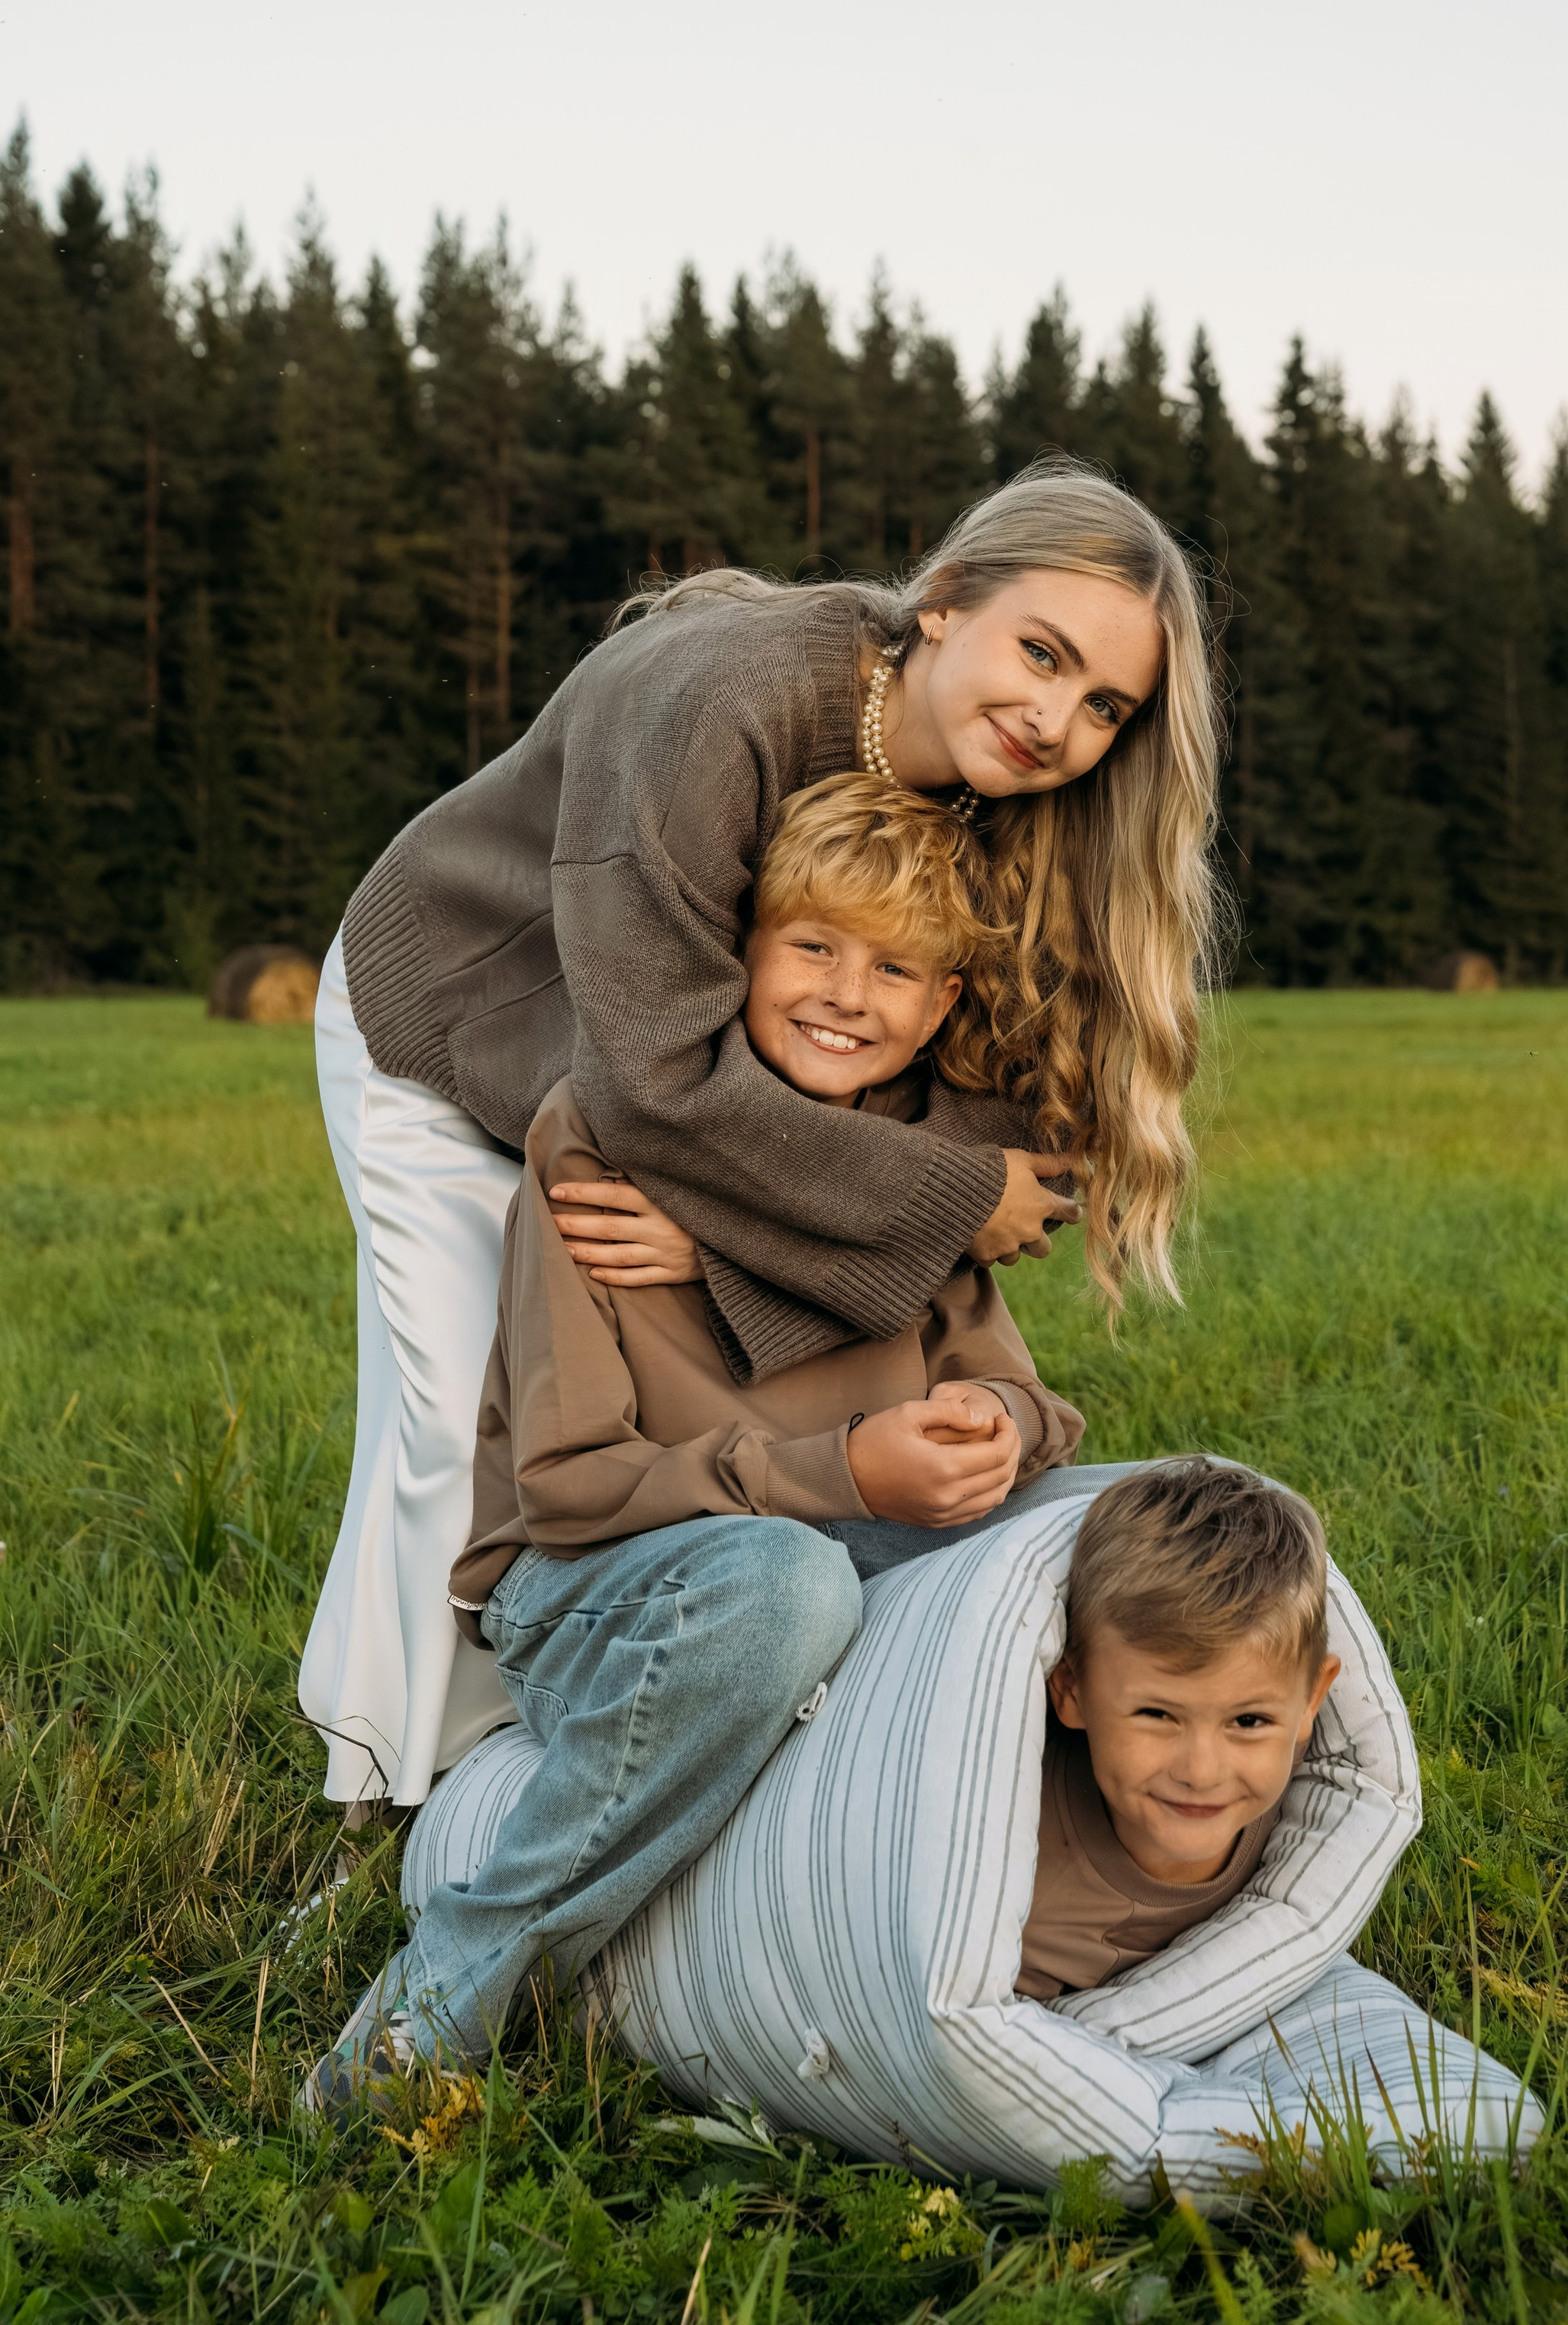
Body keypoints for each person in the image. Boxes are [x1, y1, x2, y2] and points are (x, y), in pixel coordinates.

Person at [304, 462, 1223, 1809]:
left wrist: (722, 1230)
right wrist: (935, 1201)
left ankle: (639, 1738)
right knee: (455, 1413)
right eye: (1041, 653)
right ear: (946, 600)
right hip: (456, 1020)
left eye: (1104, 708)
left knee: (637, 1358)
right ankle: (396, 1797)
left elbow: (973, 1118)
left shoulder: (998, 799)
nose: (1054, 719)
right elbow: (659, 1090)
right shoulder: (717, 704)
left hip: (650, 1081)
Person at [307, 776, 1086, 2110]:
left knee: (1151, 1516)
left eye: (896, 968)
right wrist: (843, 1472)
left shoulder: (911, 1167)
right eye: (814, 947)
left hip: (845, 1544)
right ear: (738, 957)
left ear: (942, 1006)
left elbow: (1034, 1401)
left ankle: (1077, 1939)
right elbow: (565, 1489)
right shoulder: (603, 1139)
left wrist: (991, 1426)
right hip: (611, 1585)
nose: (849, 993)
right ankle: (425, 2023)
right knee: (787, 1585)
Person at [1014, 1458, 1339, 2003]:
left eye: (1249, 1721)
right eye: (1157, 1715)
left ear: (1311, 1699)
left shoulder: (1301, 1832)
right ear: (1070, 1690)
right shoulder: (1021, 1873)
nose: (1200, 1771)